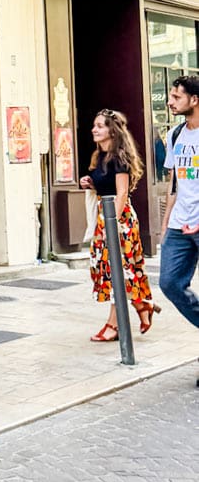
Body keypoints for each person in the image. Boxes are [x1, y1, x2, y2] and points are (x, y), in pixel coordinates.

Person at [79, 107, 158, 340]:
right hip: (106, 217)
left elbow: (122, 193)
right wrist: (91, 183)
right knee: (113, 270)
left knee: (118, 271)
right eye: (94, 125)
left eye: (100, 126)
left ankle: (114, 325)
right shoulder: (100, 156)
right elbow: (106, 187)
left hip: (118, 219)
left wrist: (112, 226)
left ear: (112, 131)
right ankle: (142, 305)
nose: (94, 129)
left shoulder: (119, 158)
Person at [157, 77, 199, 370]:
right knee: (169, 283)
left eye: (176, 97)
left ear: (194, 100)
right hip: (179, 225)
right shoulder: (174, 135)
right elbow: (174, 183)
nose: (170, 102)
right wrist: (165, 225)